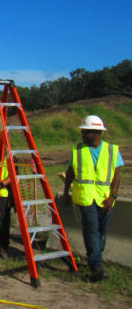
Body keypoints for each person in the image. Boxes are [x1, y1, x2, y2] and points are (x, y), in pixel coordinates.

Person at [62, 115, 123, 282]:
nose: (82, 135)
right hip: (86, 198)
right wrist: (66, 192)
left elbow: (116, 176)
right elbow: (70, 174)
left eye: (86, 132)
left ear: (96, 133)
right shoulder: (77, 150)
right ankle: (96, 266)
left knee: (102, 232)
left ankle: (95, 258)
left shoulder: (112, 150)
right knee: (91, 230)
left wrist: (113, 196)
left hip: (105, 199)